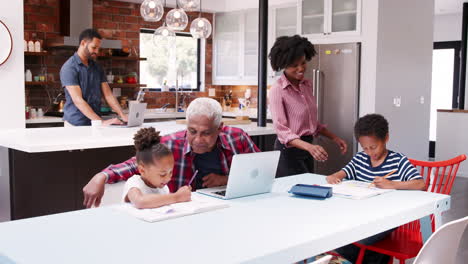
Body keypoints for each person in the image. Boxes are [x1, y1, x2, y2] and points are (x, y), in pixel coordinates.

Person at [82, 97, 260, 208]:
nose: (198, 140)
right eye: (192, 131)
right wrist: (102, 176)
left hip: (229, 210)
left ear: (220, 128)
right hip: (182, 216)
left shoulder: (237, 138)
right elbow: (136, 164)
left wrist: (226, 180)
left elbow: (259, 171)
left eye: (206, 133)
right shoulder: (171, 144)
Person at [326, 113, 426, 264]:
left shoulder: (397, 161)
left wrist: (392, 184)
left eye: (373, 147)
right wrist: (335, 176)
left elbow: (420, 184)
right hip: (360, 216)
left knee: (356, 239)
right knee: (332, 233)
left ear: (386, 138)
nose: (370, 153)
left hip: (387, 219)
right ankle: (377, 259)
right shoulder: (360, 158)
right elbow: (343, 172)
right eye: (365, 148)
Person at [268, 35, 348, 177]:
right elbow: (282, 131)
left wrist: (335, 138)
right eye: (294, 65)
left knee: (307, 192)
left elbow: (311, 123)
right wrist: (310, 148)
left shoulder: (306, 85)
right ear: (283, 65)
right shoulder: (277, 90)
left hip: (307, 150)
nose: (301, 68)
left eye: (303, 63)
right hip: (288, 153)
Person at [60, 28, 127, 126]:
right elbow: (78, 100)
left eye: (98, 48)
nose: (97, 51)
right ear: (83, 43)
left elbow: (108, 95)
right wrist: (102, 122)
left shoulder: (97, 67)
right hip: (75, 125)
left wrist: (122, 115)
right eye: (94, 47)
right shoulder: (69, 68)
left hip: (94, 123)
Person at [122, 127, 191, 209]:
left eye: (171, 172)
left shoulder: (163, 188)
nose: (168, 178)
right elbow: (140, 202)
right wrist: (176, 197)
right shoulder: (134, 183)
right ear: (142, 170)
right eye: (162, 174)